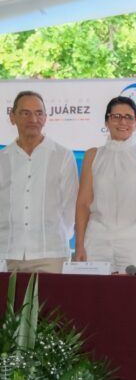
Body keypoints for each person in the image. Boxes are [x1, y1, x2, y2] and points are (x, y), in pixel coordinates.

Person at [74, 96, 136, 272]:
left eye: (128, 117)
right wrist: (79, 244)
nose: (122, 122)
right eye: (116, 116)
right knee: (96, 296)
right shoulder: (93, 155)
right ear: (107, 121)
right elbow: (83, 204)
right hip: (96, 240)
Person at [0, 91, 78, 273]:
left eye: (39, 113)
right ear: (12, 117)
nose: (33, 119)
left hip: (51, 255)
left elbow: (71, 207)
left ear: (45, 118)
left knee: (53, 302)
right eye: (25, 113)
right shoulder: (3, 158)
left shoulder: (63, 155)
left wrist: (54, 236)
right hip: (7, 254)